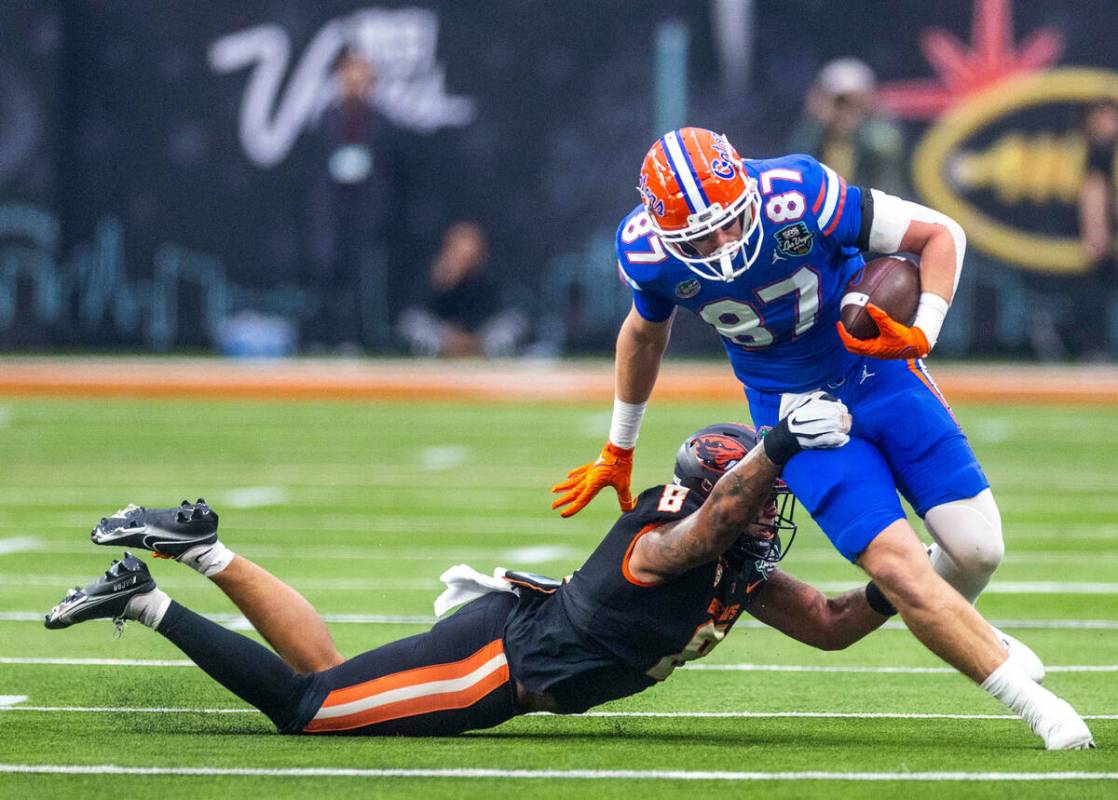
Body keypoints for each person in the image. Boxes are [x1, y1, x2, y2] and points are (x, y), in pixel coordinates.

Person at [43, 397, 1092, 747]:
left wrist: (909, 587)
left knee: (337, 676)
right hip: (502, 663)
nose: (768, 513)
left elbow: (820, 620)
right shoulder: (667, 535)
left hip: (512, 633)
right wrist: (776, 441)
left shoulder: (729, 553)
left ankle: (205, 546)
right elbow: (712, 522)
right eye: (756, 495)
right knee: (313, 708)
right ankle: (151, 593)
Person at [551, 126, 1075, 735]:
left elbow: (940, 234)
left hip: (880, 371)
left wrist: (924, 328)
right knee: (900, 570)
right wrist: (619, 445)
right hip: (795, 409)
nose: (722, 243)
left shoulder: (798, 191)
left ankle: (965, 625)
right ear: (666, 231)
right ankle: (1033, 702)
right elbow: (644, 334)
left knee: (980, 550)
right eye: (700, 236)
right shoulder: (644, 250)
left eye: (729, 220)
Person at [305, 48, 402, 352]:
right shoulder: (327, 119)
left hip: (366, 213)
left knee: (364, 277)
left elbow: (389, 172)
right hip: (332, 212)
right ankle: (325, 336)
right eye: (349, 73)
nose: (355, 80)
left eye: (362, 74)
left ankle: (359, 338)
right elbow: (315, 169)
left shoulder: (381, 122)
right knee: (327, 272)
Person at [396, 222, 529, 357]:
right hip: (444, 335)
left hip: (481, 335)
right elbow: (421, 309)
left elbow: (496, 308)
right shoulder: (434, 272)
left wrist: (470, 336)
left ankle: (498, 353)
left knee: (512, 323)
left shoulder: (490, 274)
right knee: (412, 321)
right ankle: (429, 353)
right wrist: (442, 283)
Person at [786, 58, 906, 196]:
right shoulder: (814, 137)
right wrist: (820, 120)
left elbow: (885, 147)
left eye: (856, 103)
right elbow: (798, 163)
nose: (846, 110)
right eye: (840, 103)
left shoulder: (878, 138)